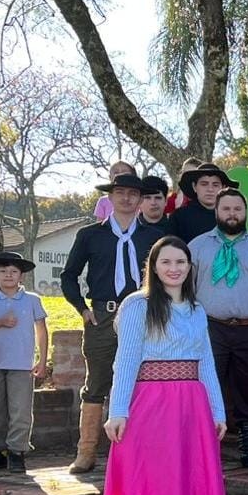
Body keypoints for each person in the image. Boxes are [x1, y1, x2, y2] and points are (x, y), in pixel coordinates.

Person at [93, 237, 242, 495]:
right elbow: (125, 361)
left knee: (188, 493)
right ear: (154, 267)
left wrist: (218, 411)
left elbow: (206, 362)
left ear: (190, 267)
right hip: (151, 406)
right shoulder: (136, 306)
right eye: (166, 262)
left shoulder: (195, 308)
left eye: (180, 261)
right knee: (154, 494)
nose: (174, 268)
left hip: (191, 407)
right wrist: (117, 411)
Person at [61, 173, 162, 474]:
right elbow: (68, 276)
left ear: (141, 199)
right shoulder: (90, 235)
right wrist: (81, 309)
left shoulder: (153, 236)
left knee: (143, 380)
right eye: (120, 193)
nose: (127, 199)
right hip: (103, 315)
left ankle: (136, 452)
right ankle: (87, 451)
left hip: (144, 314)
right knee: (98, 381)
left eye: (134, 193)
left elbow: (168, 273)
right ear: (110, 197)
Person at [188, 188, 248, 471]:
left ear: (245, 212)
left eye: (237, 209)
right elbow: (187, 288)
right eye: (226, 209)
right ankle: (203, 450)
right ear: (216, 212)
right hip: (209, 329)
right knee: (206, 387)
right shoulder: (197, 246)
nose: (232, 214)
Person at [0, 251, 48, 473]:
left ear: (21, 276)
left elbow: (41, 330)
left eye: (13, 271)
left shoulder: (32, 300)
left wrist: (42, 358)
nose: (8, 275)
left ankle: (17, 452)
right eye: (3, 271)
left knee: (20, 410)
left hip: (21, 364)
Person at [171, 162, 238, 243]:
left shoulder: (232, 216)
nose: (210, 189)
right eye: (204, 184)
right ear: (194, 187)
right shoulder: (179, 217)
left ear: (223, 188)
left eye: (215, 185)